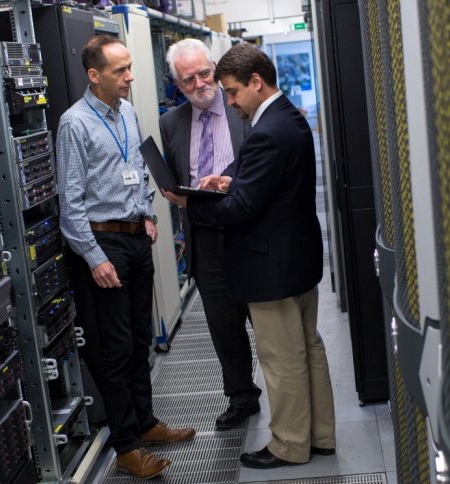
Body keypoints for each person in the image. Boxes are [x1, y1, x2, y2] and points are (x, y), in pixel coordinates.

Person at [162, 43, 336, 469]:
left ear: (256, 82)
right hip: (294, 258)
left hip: (268, 264)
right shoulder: (289, 117)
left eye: (234, 91)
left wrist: (192, 203)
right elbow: (258, 184)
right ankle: (321, 435)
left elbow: (242, 208)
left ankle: (289, 444)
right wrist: (231, 180)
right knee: (307, 348)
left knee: (281, 359)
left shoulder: (265, 131)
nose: (231, 100)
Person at [56, 35, 195, 480]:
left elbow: (134, 170)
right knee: (113, 349)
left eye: (131, 67)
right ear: (94, 75)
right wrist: (95, 257)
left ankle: (147, 422)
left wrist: (146, 214)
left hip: (135, 238)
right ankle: (126, 445)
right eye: (120, 71)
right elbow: (71, 204)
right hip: (102, 246)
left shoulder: (129, 112)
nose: (131, 77)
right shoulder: (74, 124)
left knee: (138, 339)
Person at [159, 38, 261, 430]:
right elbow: (176, 176)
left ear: (214, 68)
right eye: (189, 80)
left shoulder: (245, 110)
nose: (200, 84)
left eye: (205, 73)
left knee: (264, 321)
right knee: (223, 325)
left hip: (248, 234)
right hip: (205, 239)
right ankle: (241, 397)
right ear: (177, 85)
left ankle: (287, 396)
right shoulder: (172, 123)